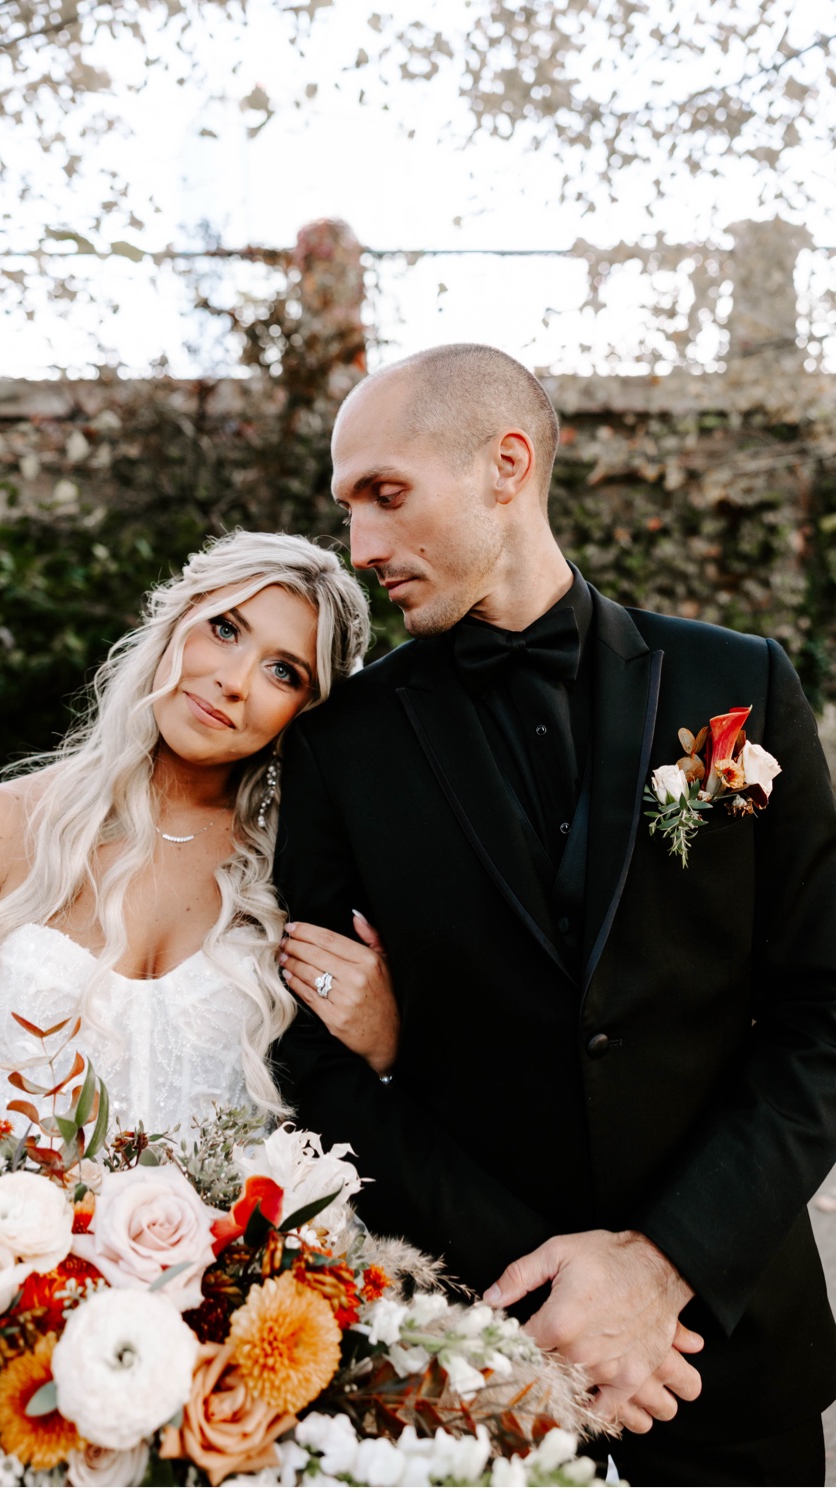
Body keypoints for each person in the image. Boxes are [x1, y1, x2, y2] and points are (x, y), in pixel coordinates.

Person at [272, 342, 836, 1486]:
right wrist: (544, 1284)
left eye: (384, 495)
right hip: (477, 1352)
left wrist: (666, 1263)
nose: (360, 549)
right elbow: (311, 1060)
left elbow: (820, 1011)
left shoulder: (736, 687)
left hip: (726, 1351)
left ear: (505, 465)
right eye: (346, 509)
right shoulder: (340, 746)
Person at [0, 532, 373, 1140]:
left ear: (306, 710)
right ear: (175, 623)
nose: (235, 680)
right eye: (224, 629)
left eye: (283, 671)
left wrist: (389, 1038)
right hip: (3, 1230)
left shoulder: (298, 877)